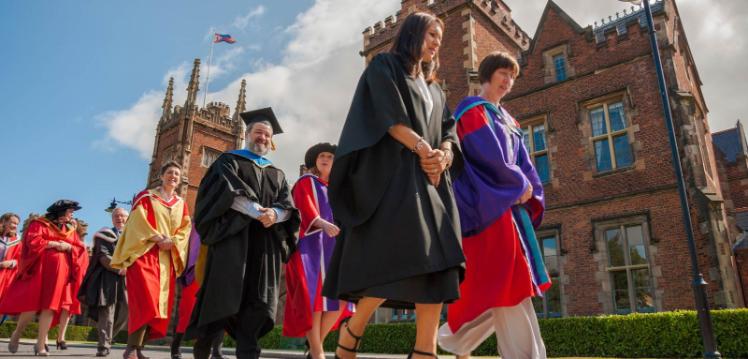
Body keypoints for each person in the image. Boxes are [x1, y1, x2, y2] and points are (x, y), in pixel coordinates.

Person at [322, 11, 464, 359]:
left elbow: (449, 129)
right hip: (397, 178)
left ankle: (424, 351)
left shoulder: (434, 88)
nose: (436, 44)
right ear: (414, 33)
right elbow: (387, 117)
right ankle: (353, 328)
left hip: (434, 181)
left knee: (438, 263)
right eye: (432, 35)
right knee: (398, 261)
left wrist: (444, 155)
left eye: (440, 40)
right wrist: (423, 149)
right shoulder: (384, 66)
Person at [437, 51, 549, 359]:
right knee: (510, 284)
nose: (508, 80)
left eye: (512, 76)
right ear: (487, 75)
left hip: (509, 209)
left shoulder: (509, 120)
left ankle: (452, 339)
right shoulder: (472, 111)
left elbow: (525, 163)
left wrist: (531, 190)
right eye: (503, 73)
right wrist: (517, 184)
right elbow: (488, 156)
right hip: (487, 208)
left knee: (507, 286)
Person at [185, 107, 300, 359]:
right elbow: (225, 194)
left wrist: (275, 215)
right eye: (258, 132)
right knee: (222, 299)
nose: (263, 138)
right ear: (247, 134)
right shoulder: (229, 162)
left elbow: (288, 206)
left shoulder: (277, 174)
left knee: (258, 304)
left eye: (267, 135)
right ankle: (203, 349)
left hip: (265, 246)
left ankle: (248, 354)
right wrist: (258, 211)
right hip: (232, 242)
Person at [111, 161, 192, 359]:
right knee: (145, 300)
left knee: (157, 305)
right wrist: (158, 237)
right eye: (170, 173)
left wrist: (172, 241)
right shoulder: (147, 196)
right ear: (161, 176)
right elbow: (137, 221)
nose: (173, 176)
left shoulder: (181, 204)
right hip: (144, 254)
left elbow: (185, 228)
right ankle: (130, 349)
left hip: (166, 258)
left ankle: (138, 349)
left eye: (177, 174)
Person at [284, 143, 349, 359]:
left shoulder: (338, 189)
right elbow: (304, 208)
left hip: (334, 248)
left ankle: (315, 346)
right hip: (311, 247)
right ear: (315, 159)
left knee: (341, 300)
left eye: (330, 156)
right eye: (322, 155)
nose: (325, 158)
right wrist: (323, 223)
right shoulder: (306, 182)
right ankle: (318, 353)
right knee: (316, 298)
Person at [0, 200, 88, 356]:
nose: (72, 215)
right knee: (31, 306)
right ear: (61, 212)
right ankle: (17, 333)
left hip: (59, 274)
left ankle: (40, 345)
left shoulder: (69, 229)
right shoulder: (39, 224)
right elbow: (32, 241)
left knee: (50, 307)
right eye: (70, 211)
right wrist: (52, 243)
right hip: (39, 271)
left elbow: (79, 248)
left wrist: (69, 247)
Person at [78, 208, 130, 357]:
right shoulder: (105, 234)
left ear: (128, 218)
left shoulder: (132, 235)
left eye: (122, 216)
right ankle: (104, 345)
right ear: (112, 219)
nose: (119, 218)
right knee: (107, 312)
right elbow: (102, 256)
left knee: (126, 310)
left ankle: (108, 337)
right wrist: (120, 268)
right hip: (107, 277)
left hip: (126, 279)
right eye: (116, 216)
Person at [170, 226, 227, 359]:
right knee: (188, 312)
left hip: (219, 271)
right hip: (196, 272)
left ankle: (217, 352)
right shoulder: (197, 223)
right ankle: (175, 346)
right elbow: (192, 247)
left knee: (221, 311)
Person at [0, 213, 21, 301]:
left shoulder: (18, 242)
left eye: (17, 224)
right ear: (3, 222)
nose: (15, 226)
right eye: (13, 223)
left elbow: (21, 259)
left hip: (6, 276)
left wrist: (12, 262)